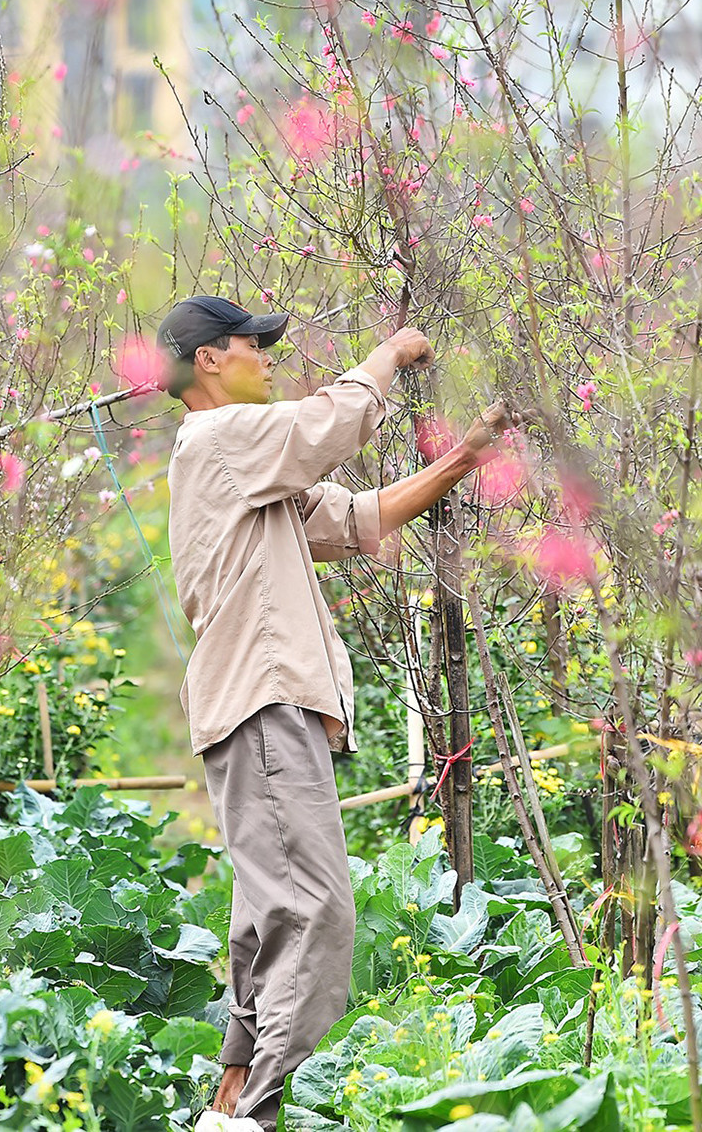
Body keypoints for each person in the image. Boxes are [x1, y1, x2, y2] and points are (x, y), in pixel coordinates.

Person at [156, 295, 514, 1128]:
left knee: (269, 917)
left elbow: (357, 519)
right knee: (317, 911)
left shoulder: (246, 468)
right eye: (255, 345)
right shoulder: (219, 441)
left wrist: (463, 457)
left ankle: (232, 1102)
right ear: (210, 359)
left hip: (261, 710)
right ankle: (253, 1115)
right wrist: (391, 351)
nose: (271, 359)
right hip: (261, 704)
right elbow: (330, 424)